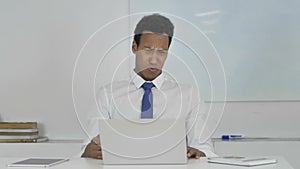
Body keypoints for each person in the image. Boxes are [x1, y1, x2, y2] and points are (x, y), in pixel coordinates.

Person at [81, 13, 216, 159]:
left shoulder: (189, 95)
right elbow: (89, 148)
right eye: (148, 50)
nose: (154, 59)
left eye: (162, 52)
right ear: (134, 47)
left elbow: (204, 148)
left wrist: (200, 153)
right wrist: (88, 153)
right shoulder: (108, 95)